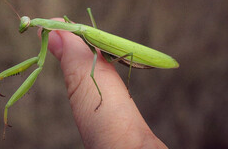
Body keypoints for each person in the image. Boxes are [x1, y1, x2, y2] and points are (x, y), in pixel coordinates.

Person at [44, 19, 167, 149]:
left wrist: (101, 98)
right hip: (99, 43)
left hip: (125, 53)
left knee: (96, 71)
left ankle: (119, 90)